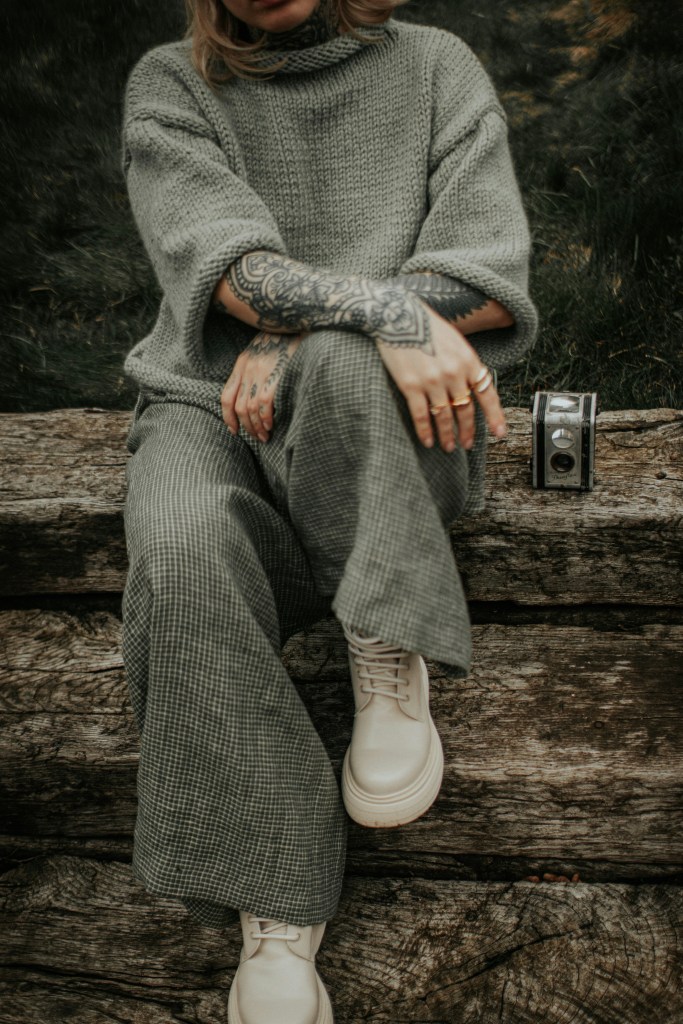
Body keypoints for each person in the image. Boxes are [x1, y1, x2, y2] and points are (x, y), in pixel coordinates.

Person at [119, 0, 538, 1020]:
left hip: (385, 419)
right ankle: (274, 900)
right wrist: (379, 306)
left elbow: (489, 277)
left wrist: (307, 331)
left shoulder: (434, 66)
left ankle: (384, 637)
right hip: (209, 407)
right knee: (179, 547)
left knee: (346, 361)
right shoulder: (172, 84)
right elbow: (228, 272)